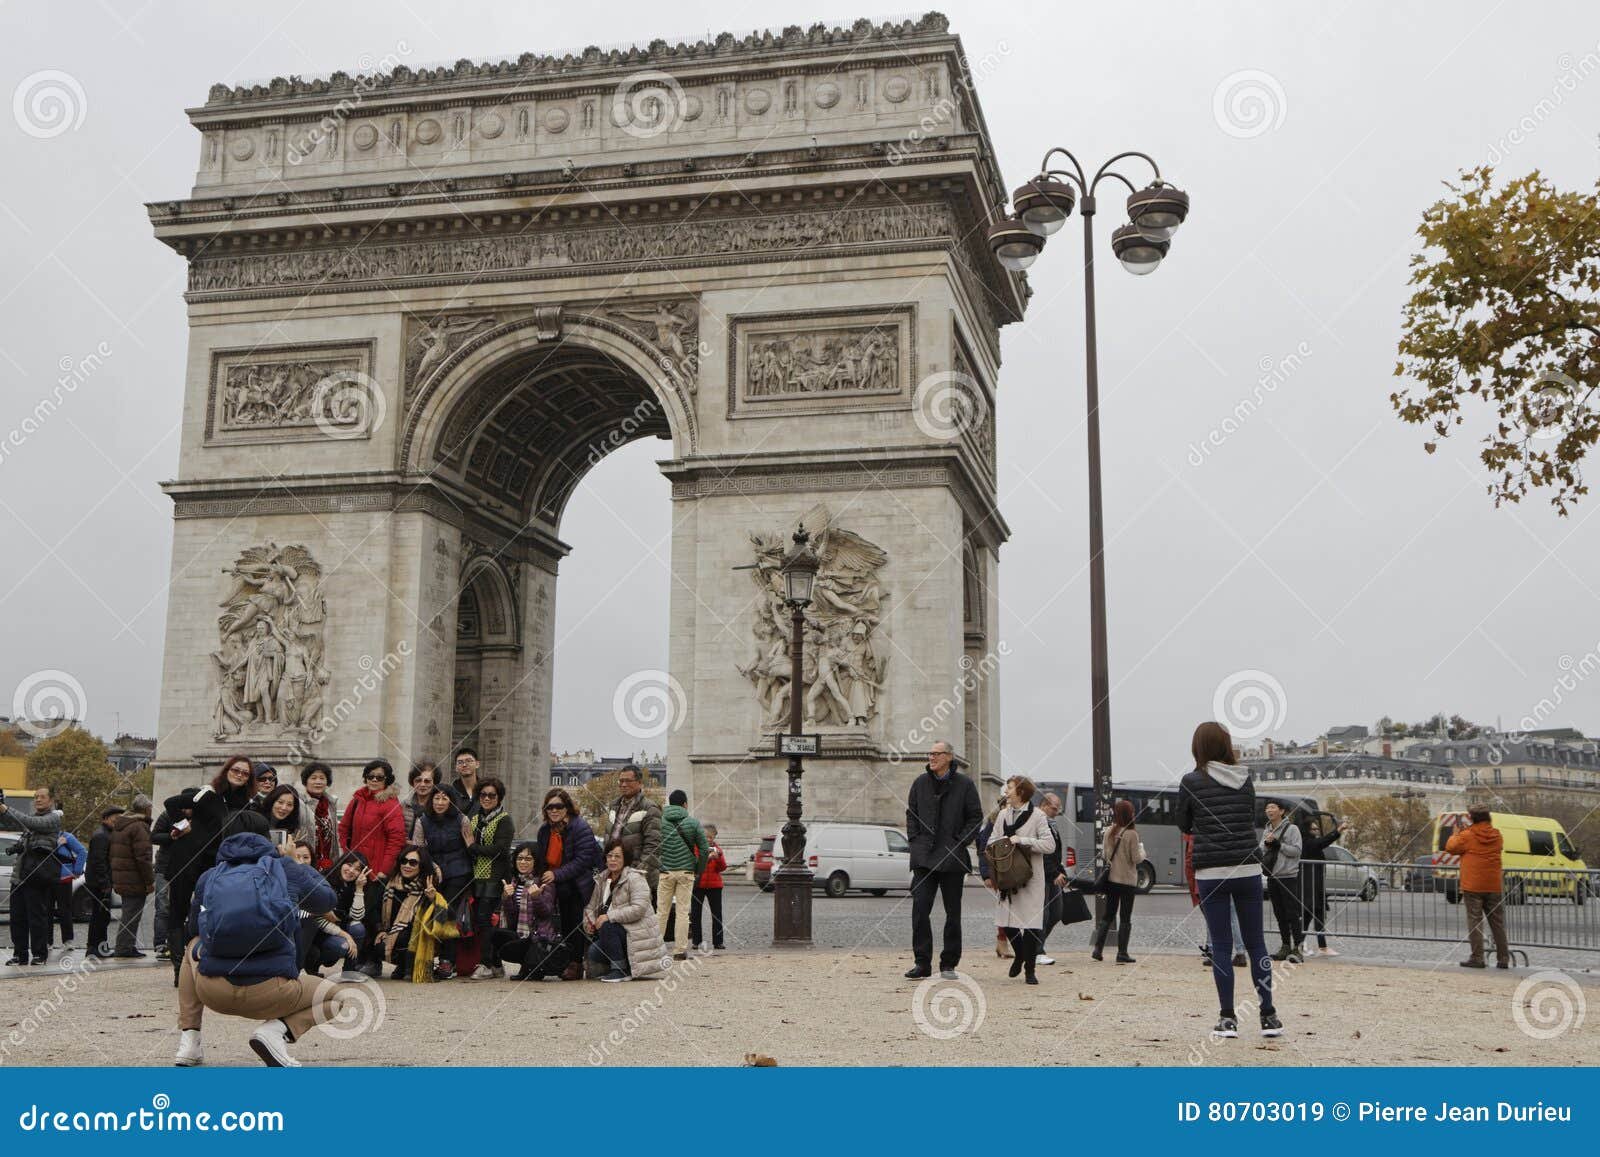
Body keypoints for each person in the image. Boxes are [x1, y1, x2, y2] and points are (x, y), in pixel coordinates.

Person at [174, 830, 351, 1067]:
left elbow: (194, 927)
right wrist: (293, 862)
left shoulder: (210, 876)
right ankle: (276, 1031)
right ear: (271, 842)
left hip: (215, 992)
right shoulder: (285, 869)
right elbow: (327, 901)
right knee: (336, 997)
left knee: (192, 945)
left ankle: (189, 1041)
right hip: (273, 992)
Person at [1176, 721, 1281, 1040]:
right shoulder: (1245, 777)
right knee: (1256, 943)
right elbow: (1248, 816)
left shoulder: (1191, 781)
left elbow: (1184, 823)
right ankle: (1269, 1015)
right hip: (1248, 867)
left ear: (1198, 748)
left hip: (1211, 870)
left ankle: (1227, 1018)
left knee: (1221, 945)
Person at [164, 756, 257, 982]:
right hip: (187, 858)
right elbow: (171, 803)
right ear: (227, 771)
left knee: (209, 912)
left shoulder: (247, 803)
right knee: (178, 911)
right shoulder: (208, 794)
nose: (240, 775)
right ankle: (180, 969)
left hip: (216, 863)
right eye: (236, 770)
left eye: (245, 773)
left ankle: (204, 961)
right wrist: (182, 825)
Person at [903, 740, 982, 980]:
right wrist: (915, 840)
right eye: (930, 753)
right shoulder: (919, 783)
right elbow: (911, 814)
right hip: (924, 857)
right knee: (919, 911)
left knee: (952, 913)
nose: (932, 757)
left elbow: (975, 818)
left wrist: (959, 842)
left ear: (949, 756)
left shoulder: (965, 784)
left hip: (951, 858)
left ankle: (948, 964)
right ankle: (922, 963)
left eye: (937, 753)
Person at [989, 775, 1054, 984]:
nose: (1006, 792)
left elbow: (1049, 845)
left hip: (1031, 877)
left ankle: (1030, 970)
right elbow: (991, 840)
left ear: (1021, 792)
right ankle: (1020, 955)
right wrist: (1003, 843)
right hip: (1007, 877)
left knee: (1032, 925)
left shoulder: (1038, 816)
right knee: (1007, 923)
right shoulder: (1002, 815)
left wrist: (1023, 841)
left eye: (1009, 788)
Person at [535, 787, 601, 981]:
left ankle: (576, 962)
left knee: (573, 922)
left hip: (578, 884)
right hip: (554, 882)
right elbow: (541, 859)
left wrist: (556, 875)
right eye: (550, 807)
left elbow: (583, 861)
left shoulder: (580, 827)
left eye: (558, 806)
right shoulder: (544, 830)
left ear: (567, 808)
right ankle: (546, 957)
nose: (554, 810)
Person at [583, 839, 669, 982]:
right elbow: (591, 907)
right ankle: (629, 967)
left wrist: (609, 916)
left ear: (625, 859)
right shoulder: (602, 879)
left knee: (607, 926)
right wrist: (589, 923)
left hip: (636, 933)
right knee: (593, 952)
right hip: (616, 932)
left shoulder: (635, 878)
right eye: (609, 856)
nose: (612, 860)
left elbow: (639, 909)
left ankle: (620, 970)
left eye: (617, 856)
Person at [415, 786, 472, 978]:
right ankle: (427, 956)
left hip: (458, 870)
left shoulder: (462, 820)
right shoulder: (422, 821)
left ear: (451, 801)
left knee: (447, 912)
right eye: (436, 798)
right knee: (429, 912)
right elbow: (419, 848)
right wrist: (432, 865)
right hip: (433, 871)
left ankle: (448, 960)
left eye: (444, 799)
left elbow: (469, 847)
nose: (440, 803)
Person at [3, 785, 63, 965]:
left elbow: (29, 822)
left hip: (37, 878)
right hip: (20, 877)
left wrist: (6, 808)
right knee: (17, 918)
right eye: (36, 796)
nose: (37, 799)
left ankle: (39, 954)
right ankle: (19, 955)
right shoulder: (31, 823)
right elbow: (19, 826)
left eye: (42, 797)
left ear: (51, 801)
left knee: (36, 918)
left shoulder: (52, 819)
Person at [493, 843, 568, 980]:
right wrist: (506, 898)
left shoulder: (544, 883)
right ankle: (527, 965)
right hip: (522, 933)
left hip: (540, 936)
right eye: (519, 858)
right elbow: (513, 918)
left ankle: (534, 966)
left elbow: (546, 912)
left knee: (527, 944)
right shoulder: (515, 882)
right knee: (497, 935)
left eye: (528, 859)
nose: (523, 862)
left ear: (536, 861)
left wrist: (536, 898)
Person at [373, 843, 447, 983]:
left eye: (413, 863)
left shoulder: (429, 887)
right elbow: (375, 910)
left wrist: (432, 899)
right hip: (392, 933)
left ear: (421, 866)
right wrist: (380, 930)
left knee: (408, 933)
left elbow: (442, 919)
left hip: (419, 937)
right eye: (404, 861)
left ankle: (412, 966)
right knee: (378, 943)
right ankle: (401, 965)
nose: (407, 865)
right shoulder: (389, 884)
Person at [1448, 806, 1511, 969]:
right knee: (1497, 923)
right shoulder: (1497, 835)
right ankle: (1503, 958)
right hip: (1494, 884)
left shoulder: (1467, 835)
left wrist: (1456, 832)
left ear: (1472, 818)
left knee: (1475, 922)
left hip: (1473, 885)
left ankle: (1477, 957)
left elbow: (1451, 848)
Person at [467, 778, 514, 978]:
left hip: (496, 877)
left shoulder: (504, 820)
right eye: (483, 794)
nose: (487, 798)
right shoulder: (475, 818)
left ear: (499, 798)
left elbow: (500, 850)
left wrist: (473, 848)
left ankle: (486, 963)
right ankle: (495, 963)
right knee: (482, 921)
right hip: (477, 876)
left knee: (484, 920)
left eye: (492, 795)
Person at [656, 789, 709, 960]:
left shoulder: (660, 822)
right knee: (683, 912)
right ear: (685, 804)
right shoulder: (693, 823)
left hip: (665, 872)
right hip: (686, 872)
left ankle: (655, 949)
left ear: (669, 803)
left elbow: (654, 847)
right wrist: (698, 869)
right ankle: (679, 950)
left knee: (661, 911)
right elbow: (704, 849)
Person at [1091, 798, 1144, 964]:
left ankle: (1098, 949)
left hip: (1112, 880)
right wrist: (1143, 851)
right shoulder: (1131, 834)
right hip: (1127, 881)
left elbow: (1106, 856)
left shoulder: (1109, 832)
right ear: (1129, 814)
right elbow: (1136, 859)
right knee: (1125, 917)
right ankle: (1122, 953)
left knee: (1108, 915)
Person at [1296, 810, 1350, 956]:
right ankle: (1309, 946)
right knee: (1312, 914)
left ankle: (1312, 946)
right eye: (1313, 829)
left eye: (1317, 829)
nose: (1317, 831)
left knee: (1313, 915)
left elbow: (1321, 842)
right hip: (1309, 884)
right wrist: (1337, 831)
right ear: (1307, 830)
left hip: (1315, 884)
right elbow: (1322, 842)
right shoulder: (1306, 842)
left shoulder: (1308, 841)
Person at [109, 795, 156, 958]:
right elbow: (143, 857)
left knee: (129, 913)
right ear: (145, 809)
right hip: (134, 879)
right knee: (131, 915)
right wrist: (149, 881)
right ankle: (124, 948)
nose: (151, 811)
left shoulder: (121, 825)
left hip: (123, 876)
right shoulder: (139, 827)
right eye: (150, 808)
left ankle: (126, 946)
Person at [604, 765, 661, 898]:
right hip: (614, 872)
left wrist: (636, 874)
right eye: (621, 781)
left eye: (628, 781)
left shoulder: (650, 808)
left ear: (640, 783)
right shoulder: (613, 806)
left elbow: (653, 847)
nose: (623, 784)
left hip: (638, 878)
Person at [1260, 799, 1303, 963]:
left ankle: (1298, 949)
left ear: (1282, 811)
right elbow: (1262, 850)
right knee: (1279, 914)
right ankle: (1285, 946)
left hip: (1288, 876)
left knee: (1292, 913)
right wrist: (1266, 844)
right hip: (1272, 876)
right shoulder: (1267, 830)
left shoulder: (1292, 829)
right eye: (1267, 808)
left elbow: (1297, 851)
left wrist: (1280, 845)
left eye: (1272, 807)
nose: (1269, 810)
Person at [85, 806, 121, 959]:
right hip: (99, 883)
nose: (117, 821)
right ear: (106, 818)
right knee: (100, 917)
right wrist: (105, 883)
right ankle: (95, 948)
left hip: (100, 881)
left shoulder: (106, 834)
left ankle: (99, 947)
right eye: (115, 818)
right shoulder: (102, 835)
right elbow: (99, 862)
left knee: (102, 916)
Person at [325, 851, 372, 967]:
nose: (351, 871)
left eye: (357, 869)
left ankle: (349, 970)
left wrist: (359, 888)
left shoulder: (358, 886)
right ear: (341, 863)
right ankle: (313, 965)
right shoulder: (325, 878)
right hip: (320, 930)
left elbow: (357, 917)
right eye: (349, 865)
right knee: (339, 946)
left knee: (358, 928)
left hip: (340, 929)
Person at [1036, 793, 1067, 965]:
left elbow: (1054, 854)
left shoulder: (1051, 823)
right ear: (1044, 806)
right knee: (1044, 914)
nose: (1057, 812)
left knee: (1056, 913)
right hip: (1043, 876)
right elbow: (1043, 853)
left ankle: (1035, 946)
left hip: (1052, 875)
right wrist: (1055, 873)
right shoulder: (1039, 823)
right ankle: (1037, 951)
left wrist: (1061, 871)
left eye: (1058, 808)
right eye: (1054, 808)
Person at [295, 762, 341, 871]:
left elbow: (333, 837)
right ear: (306, 781)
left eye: (322, 778)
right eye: (313, 778)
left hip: (327, 863)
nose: (318, 782)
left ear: (327, 782)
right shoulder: (298, 803)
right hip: (305, 861)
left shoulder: (331, 804)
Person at [690, 822, 727, 952]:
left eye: (710, 837)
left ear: (714, 838)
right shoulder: (695, 849)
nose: (707, 839)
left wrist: (718, 858)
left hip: (714, 885)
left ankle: (718, 942)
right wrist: (707, 858)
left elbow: (722, 868)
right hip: (698, 884)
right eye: (705, 836)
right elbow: (694, 865)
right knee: (695, 914)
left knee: (717, 914)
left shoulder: (718, 849)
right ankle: (696, 941)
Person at [150, 802, 178, 961]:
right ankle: (161, 944)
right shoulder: (167, 815)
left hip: (185, 866)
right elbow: (154, 836)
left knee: (179, 906)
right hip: (165, 867)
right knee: (163, 906)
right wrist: (171, 836)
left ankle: (176, 943)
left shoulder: (198, 816)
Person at [51, 829, 86, 951]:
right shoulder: (41, 835)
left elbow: (82, 851)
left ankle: (67, 940)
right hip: (47, 878)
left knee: (64, 910)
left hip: (63, 878)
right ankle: (47, 941)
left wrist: (77, 871)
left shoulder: (66, 836)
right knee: (46, 910)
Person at [257, 784, 303, 852]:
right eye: (280, 802)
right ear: (272, 801)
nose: (284, 808)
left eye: (289, 805)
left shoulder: (293, 830)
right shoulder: (257, 821)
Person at [403, 760, 441, 835]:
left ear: (434, 783)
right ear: (413, 783)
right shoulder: (403, 806)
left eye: (427, 781)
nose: (422, 784)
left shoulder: (440, 806)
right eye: (418, 780)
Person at [447, 748, 482, 817]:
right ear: (456, 767)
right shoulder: (450, 792)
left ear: (477, 764)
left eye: (469, 761)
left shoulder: (486, 790)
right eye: (460, 762)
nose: (464, 765)